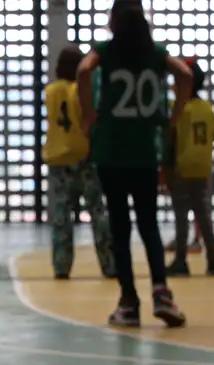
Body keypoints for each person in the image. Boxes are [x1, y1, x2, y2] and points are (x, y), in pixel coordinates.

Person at [78, 0, 191, 328]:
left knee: (120, 226)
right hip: (144, 151)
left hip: (111, 150)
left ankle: (128, 301)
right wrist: (175, 115)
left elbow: (84, 70)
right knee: (149, 223)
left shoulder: (106, 51)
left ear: (113, 20)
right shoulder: (155, 52)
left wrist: (88, 114)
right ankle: (161, 292)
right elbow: (184, 73)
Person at [42, 45, 114, 280]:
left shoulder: (50, 91)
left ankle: (61, 267)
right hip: (83, 156)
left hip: (58, 158)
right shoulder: (80, 90)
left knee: (61, 217)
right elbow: (88, 117)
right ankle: (109, 264)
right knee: (97, 213)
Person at [165, 59, 214, 277]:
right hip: (203, 165)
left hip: (182, 164)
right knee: (203, 214)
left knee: (181, 215)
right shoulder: (208, 109)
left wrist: (166, 168)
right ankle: (213, 261)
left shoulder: (178, 108)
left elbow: (171, 137)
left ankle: (180, 260)